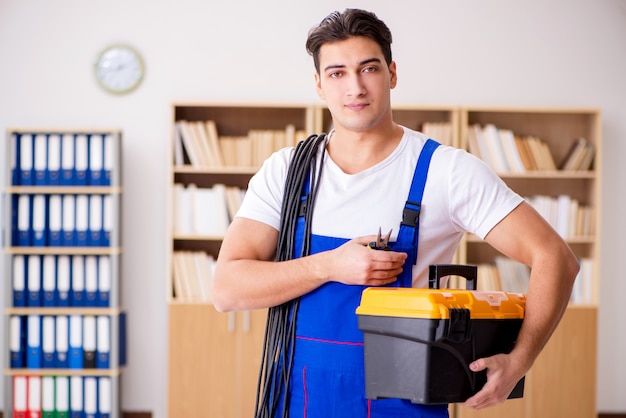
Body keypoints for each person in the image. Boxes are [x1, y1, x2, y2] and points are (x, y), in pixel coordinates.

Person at [212, 8, 579, 418]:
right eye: (336, 73)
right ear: (319, 85)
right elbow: (227, 289)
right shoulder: (286, 171)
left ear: (392, 74)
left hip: (406, 402)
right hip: (298, 397)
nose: (355, 87)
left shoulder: (446, 172)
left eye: (368, 68)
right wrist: (330, 266)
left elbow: (555, 257)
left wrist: (520, 359)